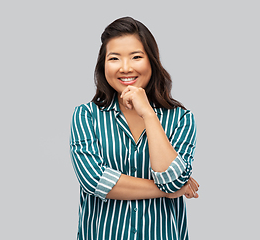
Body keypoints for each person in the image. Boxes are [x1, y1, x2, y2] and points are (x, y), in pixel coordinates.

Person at [70, 16, 199, 240]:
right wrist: (169, 190)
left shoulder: (181, 119)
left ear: (152, 61)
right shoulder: (86, 116)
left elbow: (172, 179)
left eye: (136, 57)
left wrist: (149, 114)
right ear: (103, 65)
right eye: (114, 58)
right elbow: (94, 180)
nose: (125, 68)